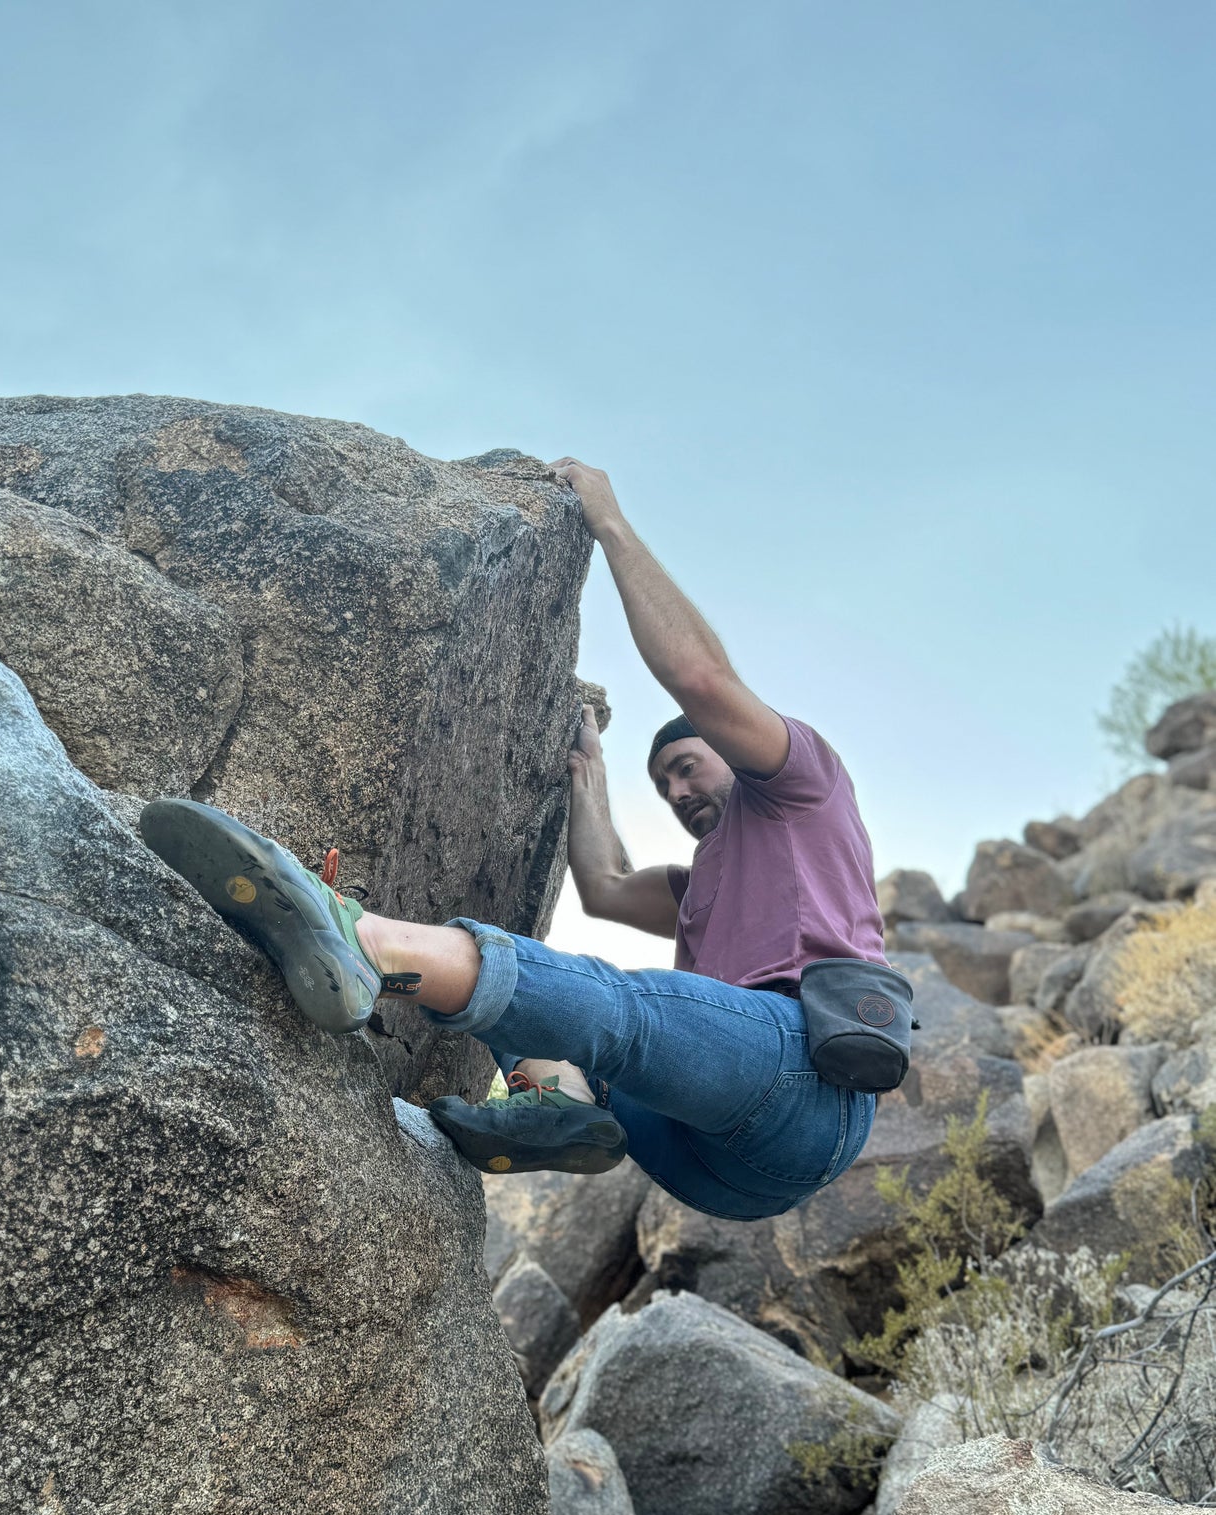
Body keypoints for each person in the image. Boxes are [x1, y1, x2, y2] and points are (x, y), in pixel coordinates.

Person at [141, 460, 890, 1223]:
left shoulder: (804, 786)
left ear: (735, 749)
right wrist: (585, 766)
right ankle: (553, 1098)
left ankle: (356, 935)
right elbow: (601, 883)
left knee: (614, 1006)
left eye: (687, 767)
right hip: (722, 1170)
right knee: (545, 1017)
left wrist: (609, 522)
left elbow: (701, 679)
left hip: (807, 1077)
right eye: (663, 784)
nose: (677, 793)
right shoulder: (704, 882)